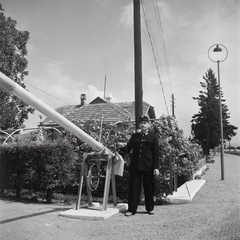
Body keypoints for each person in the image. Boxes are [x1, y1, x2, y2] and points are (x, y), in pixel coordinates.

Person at [117, 115, 160, 216]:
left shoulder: (153, 138)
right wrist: (119, 147)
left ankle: (150, 208)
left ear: (148, 125)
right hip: (136, 165)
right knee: (134, 188)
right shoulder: (135, 137)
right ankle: (131, 209)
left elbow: (156, 154)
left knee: (149, 187)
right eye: (141, 123)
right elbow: (128, 148)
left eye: (145, 123)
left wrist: (155, 168)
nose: (143, 125)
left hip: (148, 166)